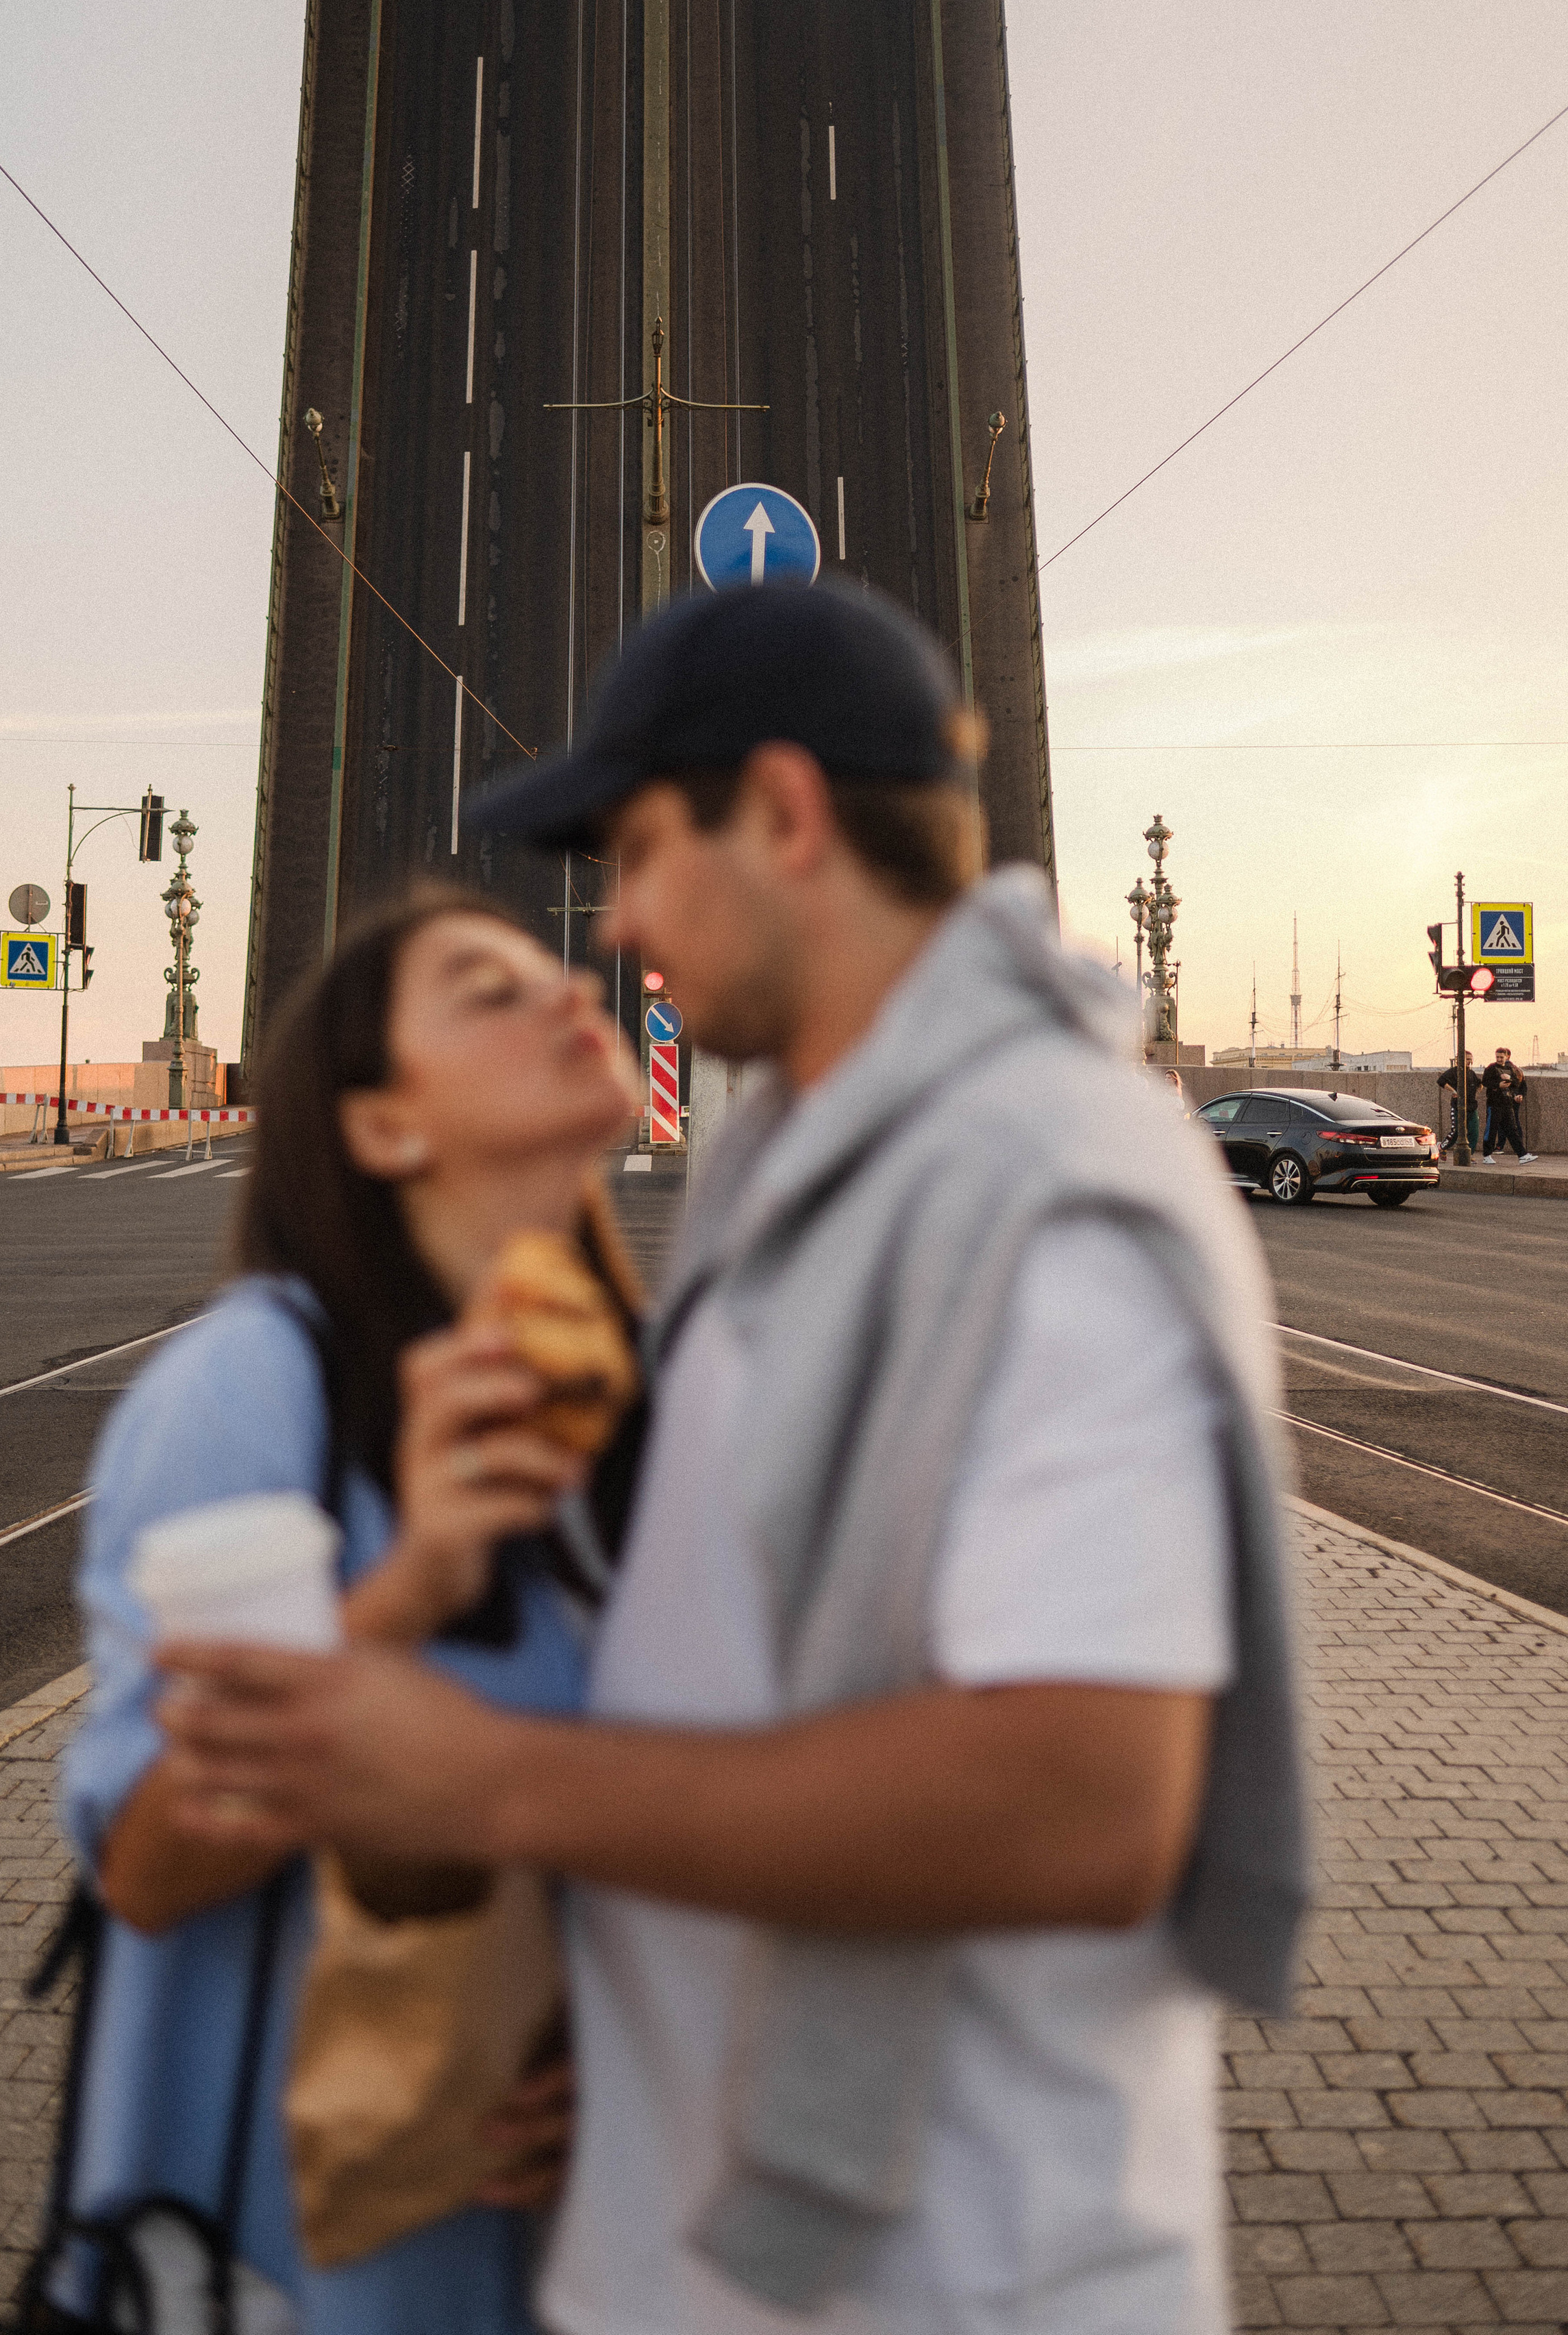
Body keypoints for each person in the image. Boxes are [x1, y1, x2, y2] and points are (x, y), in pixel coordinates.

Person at [162, 584, 1310, 2335]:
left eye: (636, 848)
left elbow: (1083, 1798)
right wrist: (630, 2029)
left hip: (943, 2274)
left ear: (781, 813)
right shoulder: (795, 1152)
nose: (614, 920)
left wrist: (487, 1780)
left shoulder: (1042, 1184)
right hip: (719, 2231)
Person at [54, 890, 643, 2332]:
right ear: (382, 1125)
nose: (572, 992)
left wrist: (626, 2048)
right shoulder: (256, 1385)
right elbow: (148, 1863)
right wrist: (410, 1584)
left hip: (544, 2264)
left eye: (558, 971)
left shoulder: (628, 1390)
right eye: (488, 989)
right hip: (283, 2265)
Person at [1483, 1046, 1532, 1161]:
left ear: (1507, 1057)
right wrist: (1498, 1085)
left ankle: (1522, 1155)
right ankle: (1487, 1155)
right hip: (1494, 1104)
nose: (1499, 1059)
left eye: (1501, 1057)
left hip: (1507, 1104)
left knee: (1512, 1130)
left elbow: (1517, 1083)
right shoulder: (1491, 1068)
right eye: (1497, 1057)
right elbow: (1485, 1082)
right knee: (1491, 1130)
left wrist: (1510, 1080)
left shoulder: (1510, 1069)